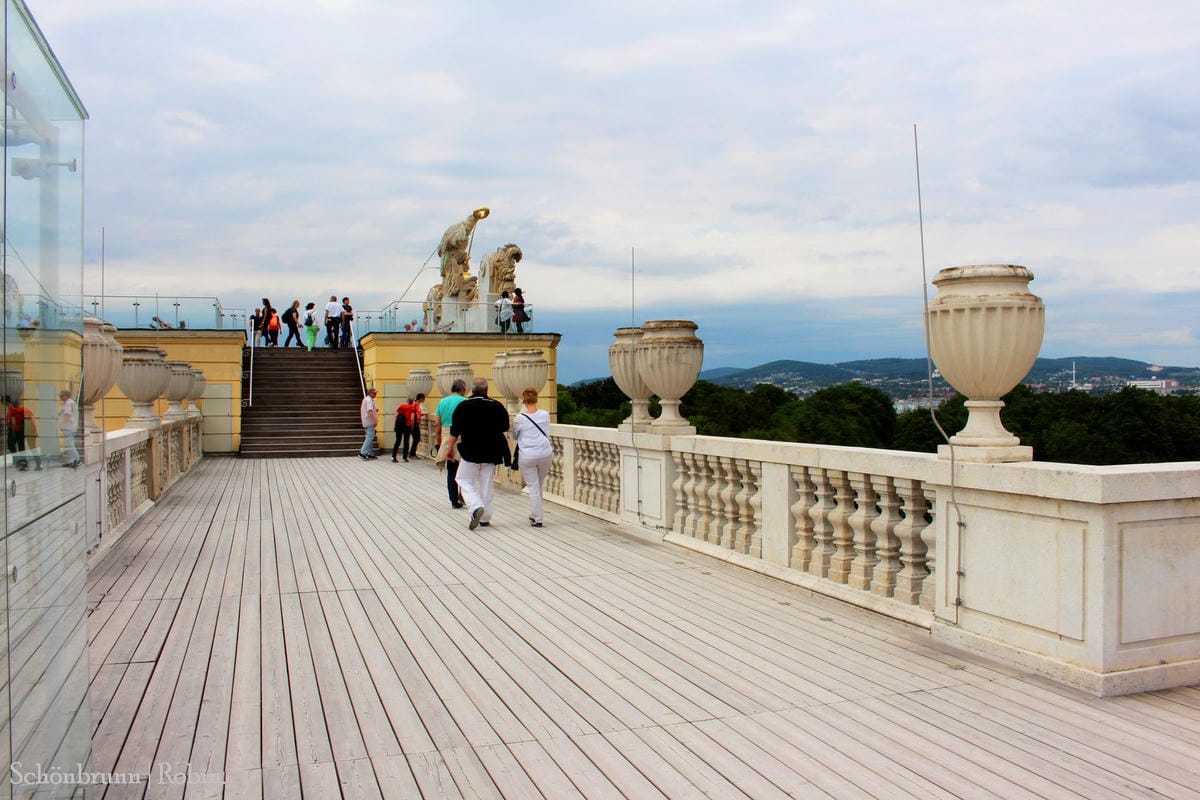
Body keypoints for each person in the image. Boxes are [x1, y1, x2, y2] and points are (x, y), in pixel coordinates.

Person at [446, 377, 509, 530]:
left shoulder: (463, 406)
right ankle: (486, 518)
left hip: (470, 450)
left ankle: (475, 506)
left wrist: (450, 448)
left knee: (462, 479)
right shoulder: (497, 406)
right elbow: (505, 427)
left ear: (472, 390)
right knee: (486, 484)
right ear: (487, 390)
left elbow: (455, 430)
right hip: (491, 451)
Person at [512, 387, 553, 527]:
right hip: (545, 453)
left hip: (528, 454)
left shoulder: (519, 418)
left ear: (524, 400)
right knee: (538, 485)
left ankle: (537, 517)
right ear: (537, 399)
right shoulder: (545, 415)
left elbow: (515, 436)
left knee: (533, 486)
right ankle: (536, 513)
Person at [434, 379, 468, 508]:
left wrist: (439, 441)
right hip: (462, 437)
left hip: (446, 437)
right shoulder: (465, 402)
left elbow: (437, 424)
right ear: (462, 389)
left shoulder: (442, 402)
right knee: (464, 470)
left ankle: (453, 500)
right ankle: (463, 496)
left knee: (451, 470)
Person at [6, 395, 42, 471]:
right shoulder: (13, 411)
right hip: (18, 431)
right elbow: (12, 422)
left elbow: (32, 419)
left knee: (27, 447)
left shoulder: (22, 410)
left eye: (9, 404)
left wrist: (35, 430)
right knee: (19, 446)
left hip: (25, 430)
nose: (8, 406)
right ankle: (22, 463)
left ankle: (33, 463)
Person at [392, 393, 425, 462]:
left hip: (399, 426)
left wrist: (395, 425)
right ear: (412, 401)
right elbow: (412, 418)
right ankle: (404, 458)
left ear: (407, 401)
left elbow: (396, 415)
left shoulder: (402, 406)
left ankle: (393, 456)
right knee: (406, 442)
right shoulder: (412, 407)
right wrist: (412, 426)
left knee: (398, 441)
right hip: (407, 426)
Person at [59, 389, 80, 468]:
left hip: (68, 427)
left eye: (62, 395)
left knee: (69, 444)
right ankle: (71, 461)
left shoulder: (68, 403)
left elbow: (67, 415)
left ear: (66, 396)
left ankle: (77, 459)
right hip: (71, 427)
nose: (60, 397)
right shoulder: (71, 403)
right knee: (70, 444)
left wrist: (62, 424)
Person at [359, 387, 379, 460]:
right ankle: (362, 452)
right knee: (370, 437)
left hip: (366, 421)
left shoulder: (366, 399)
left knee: (369, 437)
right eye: (374, 393)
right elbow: (369, 411)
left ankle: (370, 453)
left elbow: (370, 410)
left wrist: (375, 410)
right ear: (370, 393)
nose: (375, 394)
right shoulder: (369, 400)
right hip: (369, 421)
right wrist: (375, 420)